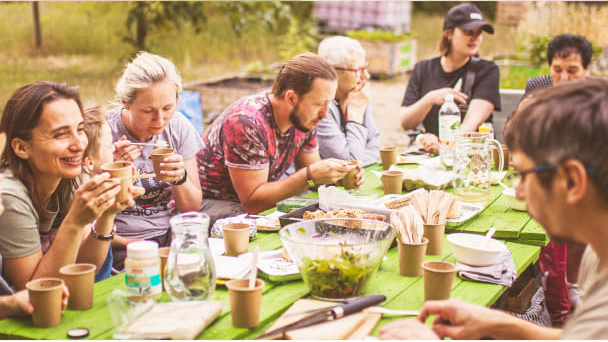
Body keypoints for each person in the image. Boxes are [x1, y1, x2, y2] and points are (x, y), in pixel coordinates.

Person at [380, 78, 608, 340]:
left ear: (571, 181)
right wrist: (500, 324)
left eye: (522, 174)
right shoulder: (597, 251)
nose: (520, 192)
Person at [0, 81, 138, 290]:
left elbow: (85, 268)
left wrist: (106, 215)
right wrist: (74, 221)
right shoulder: (10, 195)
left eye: (80, 129)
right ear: (21, 147)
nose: (79, 145)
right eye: (61, 134)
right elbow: (37, 291)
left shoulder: (73, 177)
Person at [197, 53, 363, 224]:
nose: (325, 113)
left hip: (244, 203)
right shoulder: (246, 122)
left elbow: (313, 177)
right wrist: (309, 175)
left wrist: (337, 177)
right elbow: (253, 202)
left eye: (329, 103)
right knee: (277, 222)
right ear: (291, 98)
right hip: (206, 205)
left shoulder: (304, 118)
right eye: (319, 103)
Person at [516, 34, 593, 324]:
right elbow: (515, 139)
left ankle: (574, 292)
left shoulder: (597, 97)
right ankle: (555, 299)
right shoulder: (538, 87)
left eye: (572, 70)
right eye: (557, 69)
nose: (562, 77)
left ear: (586, 69)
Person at [108, 51, 203, 270]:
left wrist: (180, 178)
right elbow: (83, 211)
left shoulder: (179, 127)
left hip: (168, 236)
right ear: (125, 102)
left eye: (168, 108)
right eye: (148, 111)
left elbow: (191, 208)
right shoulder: (105, 132)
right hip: (119, 242)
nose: (159, 120)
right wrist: (109, 166)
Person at [400, 3, 500, 154]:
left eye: (479, 33)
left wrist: (444, 147)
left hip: (470, 157)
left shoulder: (487, 70)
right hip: (427, 156)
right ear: (449, 33)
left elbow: (471, 123)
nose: (475, 38)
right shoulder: (423, 69)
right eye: (468, 31)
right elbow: (405, 122)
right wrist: (429, 99)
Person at [316, 36, 380, 166]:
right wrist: (355, 115)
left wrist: (359, 159)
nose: (365, 76)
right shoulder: (319, 106)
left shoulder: (356, 95)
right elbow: (349, 162)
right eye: (357, 70)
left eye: (365, 67)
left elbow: (375, 147)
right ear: (331, 71)